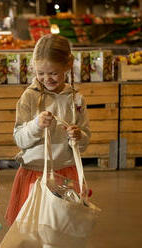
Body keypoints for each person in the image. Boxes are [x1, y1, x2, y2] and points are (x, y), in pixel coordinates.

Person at [5, 34, 91, 226]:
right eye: (41, 73)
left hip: (66, 173)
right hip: (34, 174)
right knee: (33, 228)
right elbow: (19, 139)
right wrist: (36, 125)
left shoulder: (76, 99)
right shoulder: (28, 97)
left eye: (53, 73)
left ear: (67, 65)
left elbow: (85, 141)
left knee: (61, 228)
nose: (46, 78)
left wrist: (78, 136)